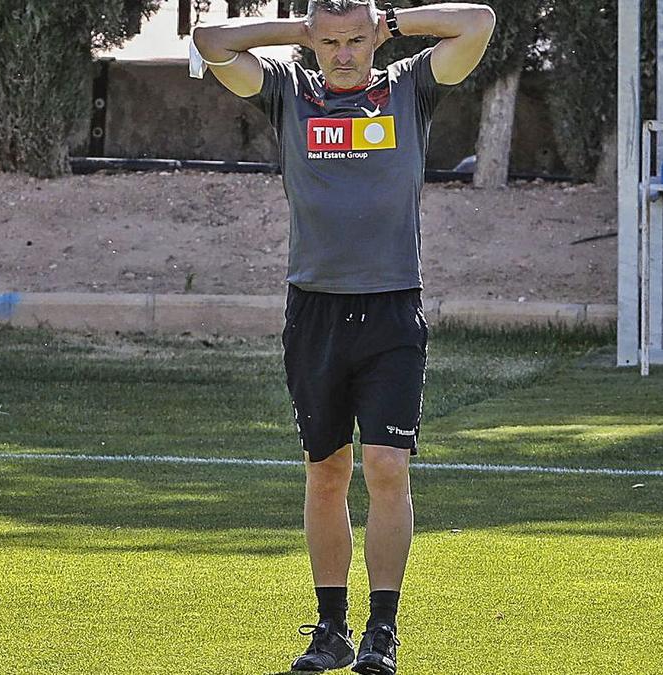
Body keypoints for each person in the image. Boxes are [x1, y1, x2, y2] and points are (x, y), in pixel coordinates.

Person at [193, 2, 494, 672]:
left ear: (375, 37)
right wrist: (293, 33)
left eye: (357, 39)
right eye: (330, 41)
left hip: (390, 309)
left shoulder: (410, 86)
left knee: (386, 467)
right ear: (314, 41)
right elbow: (210, 40)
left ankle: (381, 632)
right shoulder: (289, 92)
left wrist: (395, 20)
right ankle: (330, 629)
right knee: (326, 471)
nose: (344, 53)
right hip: (315, 313)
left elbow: (478, 23)